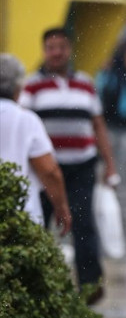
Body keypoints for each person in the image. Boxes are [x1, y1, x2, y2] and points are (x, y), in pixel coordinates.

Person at [20, 28, 119, 304]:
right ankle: (33, 287)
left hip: (82, 168)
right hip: (44, 172)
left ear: (69, 50)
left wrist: (110, 165)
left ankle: (89, 288)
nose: (56, 52)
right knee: (38, 226)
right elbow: (22, 124)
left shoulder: (86, 84)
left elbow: (98, 126)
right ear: (44, 51)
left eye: (61, 47)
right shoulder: (31, 86)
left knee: (84, 226)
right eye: (50, 47)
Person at [0, 53, 72, 234]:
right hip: (20, 218)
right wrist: (61, 206)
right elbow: (49, 171)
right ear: (18, 87)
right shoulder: (26, 120)